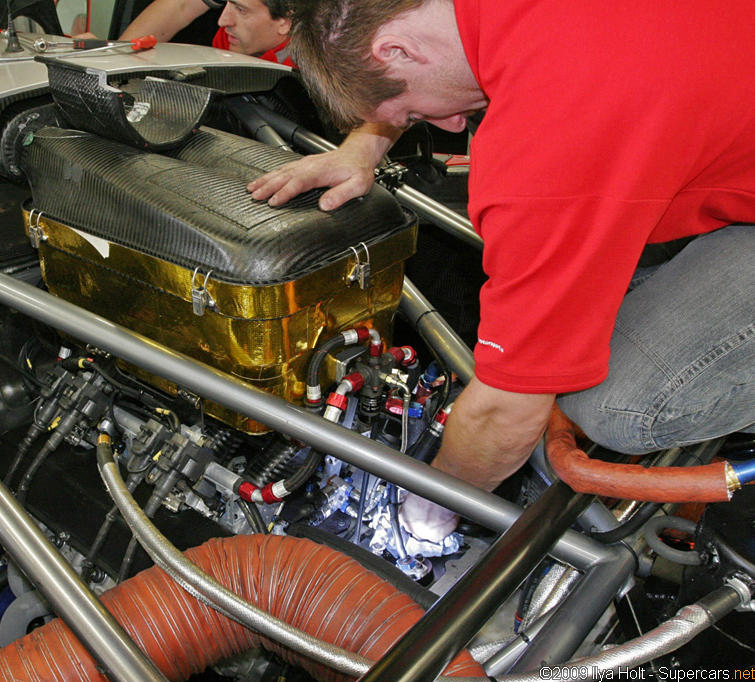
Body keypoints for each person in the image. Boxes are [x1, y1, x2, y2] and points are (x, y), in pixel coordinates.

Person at [247, 0, 755, 541]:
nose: (454, 124)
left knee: (616, 407)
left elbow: (503, 415)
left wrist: (423, 519)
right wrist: (364, 146)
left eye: (415, 114)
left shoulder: (550, 150)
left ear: (396, 50)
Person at [118, 0, 293, 65]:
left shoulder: (309, 64)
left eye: (241, 9)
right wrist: (113, 60)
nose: (222, 21)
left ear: (285, 23)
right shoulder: (228, 39)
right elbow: (182, 5)